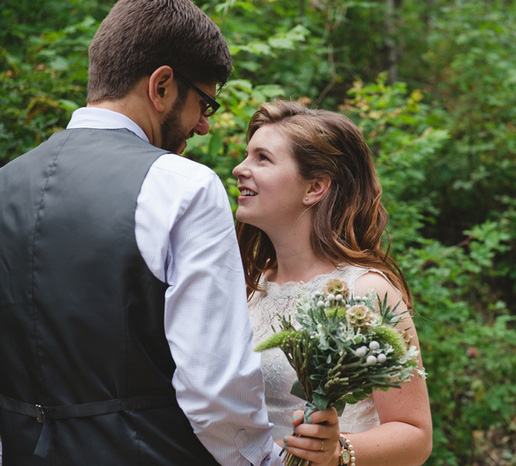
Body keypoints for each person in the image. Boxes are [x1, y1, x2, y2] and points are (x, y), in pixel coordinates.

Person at [0, 1, 334, 464]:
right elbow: (214, 387)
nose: (203, 124)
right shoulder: (184, 187)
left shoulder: (6, 182)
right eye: (204, 102)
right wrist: (262, 459)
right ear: (161, 85)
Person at [232, 100, 433, 465]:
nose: (239, 169)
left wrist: (338, 449)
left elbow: (415, 435)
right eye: (247, 156)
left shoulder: (366, 292)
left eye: (262, 158)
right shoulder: (249, 284)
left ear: (315, 188)